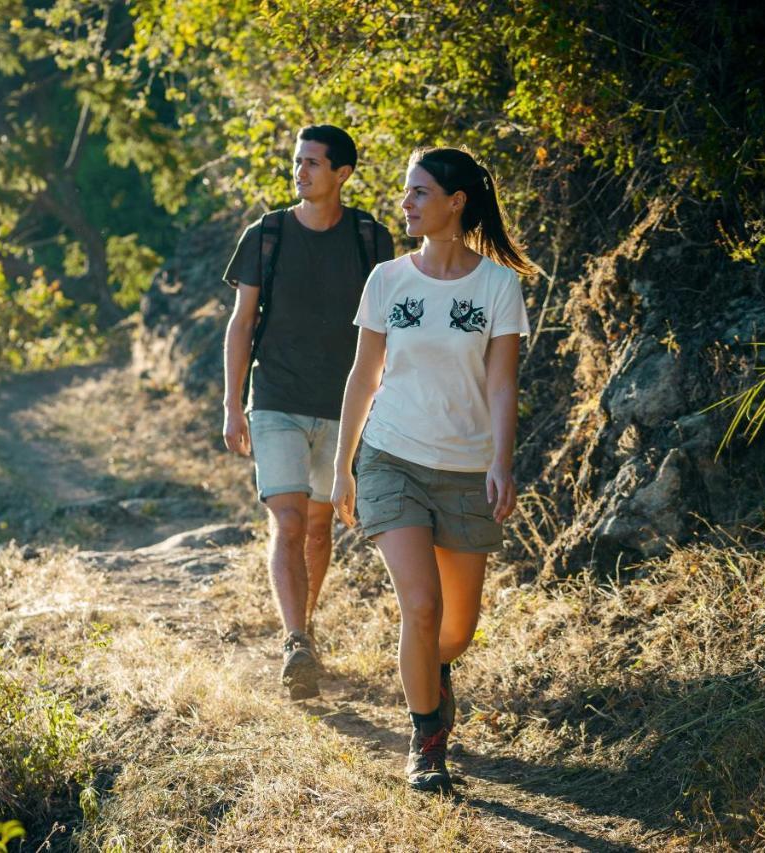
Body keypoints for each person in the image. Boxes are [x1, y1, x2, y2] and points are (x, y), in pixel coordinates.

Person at [330, 146, 536, 792]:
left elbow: (503, 385)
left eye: (420, 193)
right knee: (420, 606)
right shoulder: (387, 281)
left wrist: (501, 460)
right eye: (406, 192)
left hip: (467, 469)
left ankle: (433, 672)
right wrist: (344, 467)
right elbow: (363, 377)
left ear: (456, 203)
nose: (406, 203)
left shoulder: (499, 286)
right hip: (391, 459)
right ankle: (426, 741)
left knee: (456, 629)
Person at [221, 125, 394, 700]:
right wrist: (232, 402)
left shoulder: (372, 239)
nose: (301, 171)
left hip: (345, 408)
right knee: (289, 521)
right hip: (275, 398)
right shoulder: (266, 234)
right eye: (298, 162)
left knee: (320, 526)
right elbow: (242, 322)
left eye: (314, 163)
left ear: (342, 173)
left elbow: (388, 330)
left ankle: (305, 629)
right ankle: (296, 639)